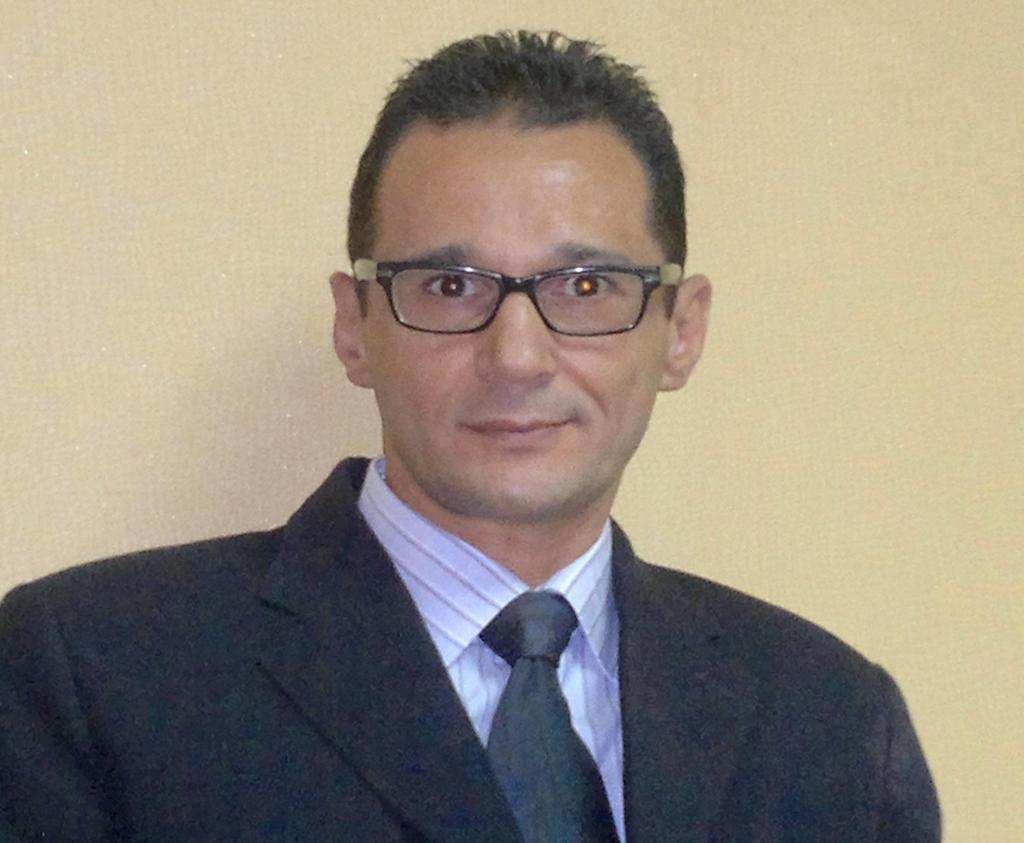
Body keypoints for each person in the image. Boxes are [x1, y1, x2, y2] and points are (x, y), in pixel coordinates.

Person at [0, 31, 939, 842]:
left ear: (681, 332)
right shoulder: (91, 676)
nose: (517, 355)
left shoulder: (831, 724)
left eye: (585, 286)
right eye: (451, 287)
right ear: (353, 325)